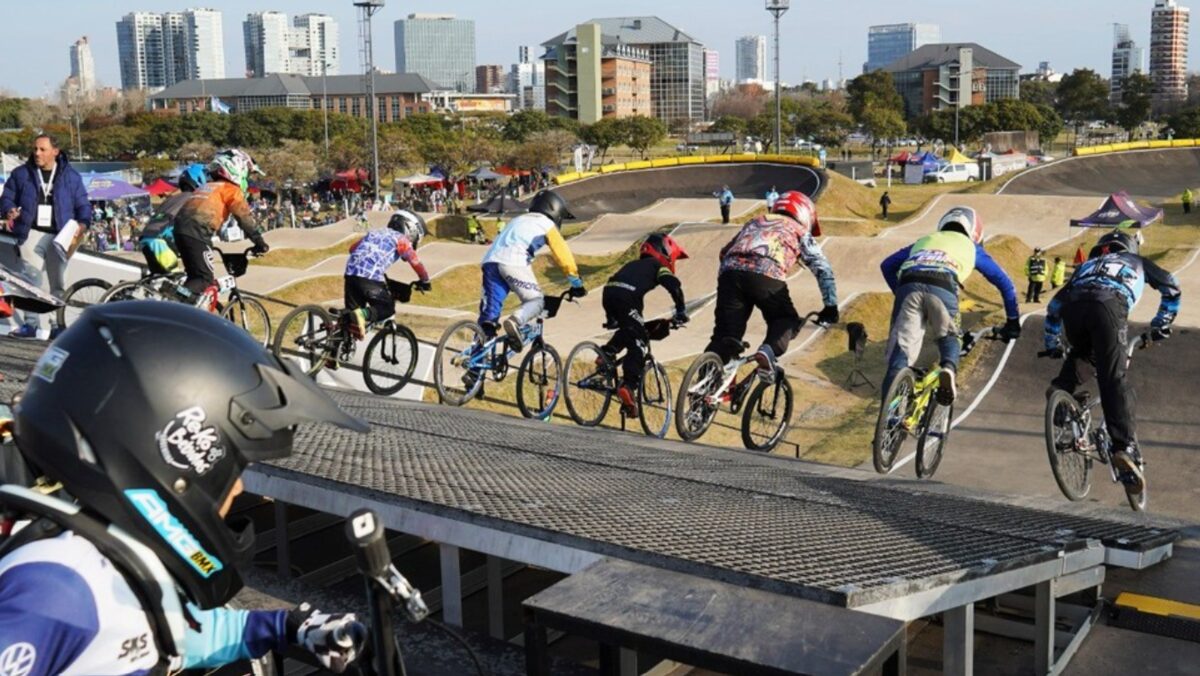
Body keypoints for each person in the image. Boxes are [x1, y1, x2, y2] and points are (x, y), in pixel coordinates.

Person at [0, 302, 370, 673]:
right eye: (230, 468)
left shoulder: (107, 576)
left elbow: (171, 636)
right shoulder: (57, 592)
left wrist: (288, 627)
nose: (238, 488)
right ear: (173, 457)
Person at [1043, 229, 1180, 496]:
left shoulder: (1086, 266)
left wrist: (1052, 344)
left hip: (1074, 309)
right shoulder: (1135, 261)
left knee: (1085, 353)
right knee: (1113, 378)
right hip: (1108, 306)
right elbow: (1171, 285)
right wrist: (1162, 322)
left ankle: (1062, 390)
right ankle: (1124, 448)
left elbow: (1053, 308)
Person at [879, 206, 1021, 404]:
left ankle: (888, 423)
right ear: (975, 232)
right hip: (943, 284)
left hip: (908, 283)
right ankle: (948, 368)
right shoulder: (973, 248)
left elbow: (886, 265)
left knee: (900, 355)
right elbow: (1006, 284)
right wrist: (1013, 320)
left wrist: (901, 292)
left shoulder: (924, 240)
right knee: (950, 338)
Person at [705, 190, 839, 380]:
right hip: (766, 274)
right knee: (785, 320)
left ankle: (703, 390)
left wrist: (735, 276)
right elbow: (823, 268)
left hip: (730, 272)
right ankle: (767, 352)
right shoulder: (799, 230)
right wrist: (831, 306)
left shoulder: (756, 221)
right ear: (804, 214)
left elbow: (724, 252)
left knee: (724, 335)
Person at [0, 134, 92, 339]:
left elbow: (83, 205)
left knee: (57, 282)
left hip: (60, 236)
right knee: (30, 280)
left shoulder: (71, 177)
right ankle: (30, 325)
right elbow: (6, 197)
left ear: (55, 152)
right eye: (35, 149)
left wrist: (83, 224)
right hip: (31, 232)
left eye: (42, 149)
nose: (37, 153)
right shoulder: (21, 173)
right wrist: (9, 210)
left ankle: (57, 325)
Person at [479, 189, 585, 351]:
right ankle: (515, 320)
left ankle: (475, 367)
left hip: (490, 263)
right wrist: (576, 283)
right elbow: (564, 257)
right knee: (536, 301)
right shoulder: (547, 224)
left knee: (489, 318)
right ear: (554, 210)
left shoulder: (517, 219)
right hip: (513, 262)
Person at [599, 233, 690, 414]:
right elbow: (674, 286)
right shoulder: (657, 266)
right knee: (639, 343)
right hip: (627, 297)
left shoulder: (632, 264)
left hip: (608, 293)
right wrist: (681, 311)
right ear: (665, 252)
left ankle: (607, 354)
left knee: (631, 328)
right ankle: (628, 386)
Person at [173, 149, 270, 309]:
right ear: (237, 168)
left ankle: (182, 308)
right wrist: (260, 242)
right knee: (204, 279)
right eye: (247, 174)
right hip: (197, 232)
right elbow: (245, 220)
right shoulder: (231, 190)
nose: (247, 179)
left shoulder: (207, 186)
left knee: (194, 278)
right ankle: (171, 305)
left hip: (181, 229)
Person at [343, 210, 432, 339]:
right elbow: (415, 262)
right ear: (411, 230)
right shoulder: (401, 240)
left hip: (350, 273)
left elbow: (352, 249)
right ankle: (363, 314)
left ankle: (333, 353)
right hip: (369, 276)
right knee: (387, 307)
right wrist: (425, 280)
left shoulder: (374, 232)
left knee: (350, 321)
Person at [138, 164, 208, 274]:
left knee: (160, 281)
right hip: (159, 242)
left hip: (147, 239)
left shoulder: (173, 198)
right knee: (179, 281)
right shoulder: (192, 199)